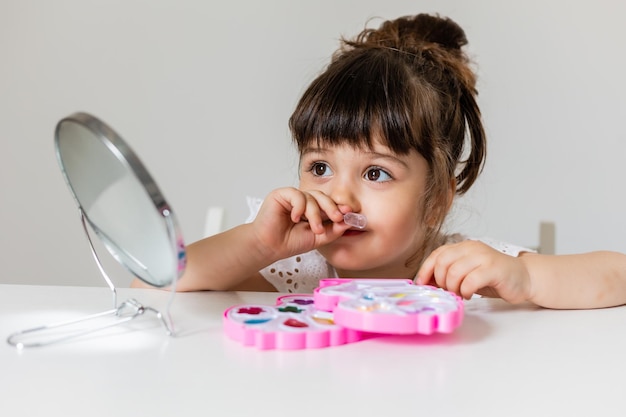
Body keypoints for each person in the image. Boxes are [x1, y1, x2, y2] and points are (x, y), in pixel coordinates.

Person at [135, 12, 626, 309]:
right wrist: (257, 245)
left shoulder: (453, 268)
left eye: (375, 173)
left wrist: (526, 278)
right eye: (319, 167)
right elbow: (152, 283)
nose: (338, 195)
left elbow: (618, 276)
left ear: (436, 201)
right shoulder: (294, 264)